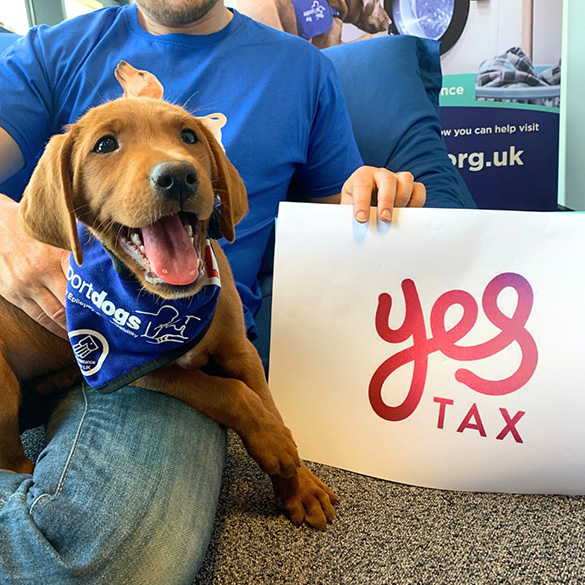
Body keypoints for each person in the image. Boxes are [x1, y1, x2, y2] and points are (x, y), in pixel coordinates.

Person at [0, 1, 430, 583]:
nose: (172, 164)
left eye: (187, 138)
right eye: (107, 145)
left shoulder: (302, 68)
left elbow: (337, 206)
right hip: (56, 326)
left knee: (114, 555)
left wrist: (368, 194)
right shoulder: (52, 52)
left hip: (175, 346)